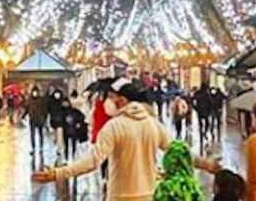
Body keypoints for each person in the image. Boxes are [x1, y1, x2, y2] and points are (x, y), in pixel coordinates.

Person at [33, 79, 215, 201]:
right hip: (149, 194)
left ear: (122, 100)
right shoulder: (152, 124)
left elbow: (93, 161)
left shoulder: (114, 127)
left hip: (120, 196)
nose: (108, 102)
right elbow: (179, 152)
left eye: (111, 97)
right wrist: (207, 165)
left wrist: (58, 173)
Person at [24, 87, 48, 155]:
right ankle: (33, 147)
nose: (35, 93)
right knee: (32, 134)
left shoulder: (41, 100)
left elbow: (45, 109)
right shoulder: (30, 100)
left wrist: (44, 118)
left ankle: (41, 146)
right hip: (32, 119)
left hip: (40, 119)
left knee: (40, 134)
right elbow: (27, 108)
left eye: (36, 92)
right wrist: (24, 115)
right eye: (34, 92)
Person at [47, 89, 67, 159]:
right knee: (56, 136)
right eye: (56, 94)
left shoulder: (63, 102)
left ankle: (59, 149)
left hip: (61, 122)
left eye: (58, 94)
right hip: (53, 122)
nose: (57, 95)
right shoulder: (51, 102)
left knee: (60, 136)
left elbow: (67, 110)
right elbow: (48, 111)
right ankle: (57, 145)